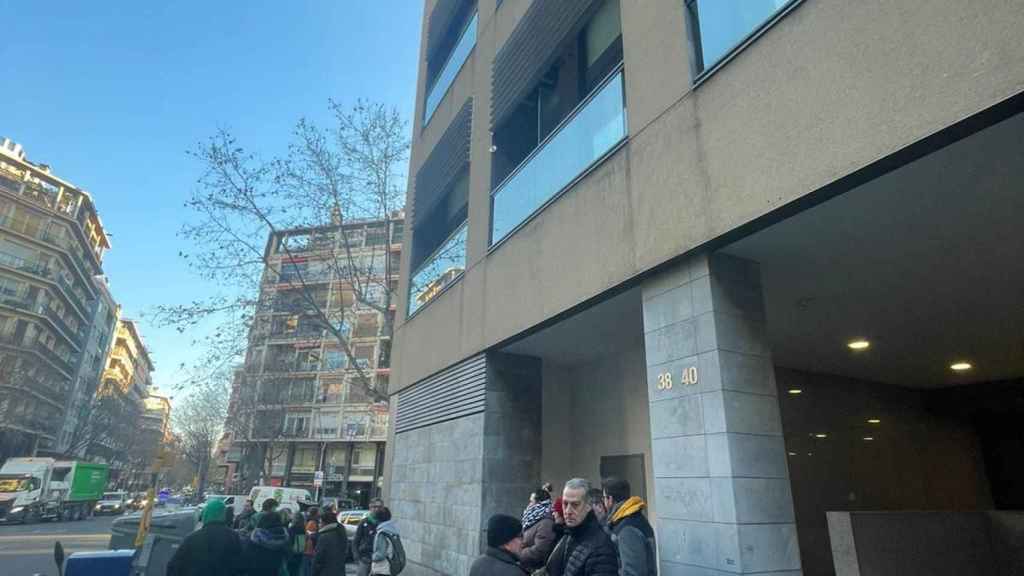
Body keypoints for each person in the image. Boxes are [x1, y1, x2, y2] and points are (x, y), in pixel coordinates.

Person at [546, 478, 618, 576]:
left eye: (575, 505)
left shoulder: (601, 547)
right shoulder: (569, 534)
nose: (568, 511)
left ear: (588, 506)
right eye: (565, 504)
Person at [166, 499, 242, 576]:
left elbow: (174, 566)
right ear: (223, 515)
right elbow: (240, 566)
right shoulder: (234, 537)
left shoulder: (192, 538)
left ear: (206, 514)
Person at [602, 477, 657, 576]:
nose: (603, 503)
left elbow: (633, 573)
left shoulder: (627, 529)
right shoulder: (629, 520)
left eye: (604, 498)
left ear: (610, 499)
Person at [245, 504, 291, 576]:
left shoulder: (255, 537)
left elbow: (247, 557)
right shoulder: (285, 537)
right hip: (275, 571)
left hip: (256, 571)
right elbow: (288, 556)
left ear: (262, 521)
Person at [520, 488, 557, 573]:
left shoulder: (546, 522)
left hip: (534, 570)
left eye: (531, 501)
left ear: (539, 503)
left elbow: (540, 551)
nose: (529, 505)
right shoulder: (533, 518)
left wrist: (519, 553)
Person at [312, 510, 350, 576]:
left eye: (320, 522)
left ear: (325, 523)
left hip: (325, 572)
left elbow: (318, 558)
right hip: (339, 571)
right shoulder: (341, 533)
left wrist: (314, 572)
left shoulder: (324, 537)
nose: (319, 525)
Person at [354, 498, 384, 576]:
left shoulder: (385, 524)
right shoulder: (364, 522)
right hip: (365, 558)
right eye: (374, 507)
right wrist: (356, 556)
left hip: (379, 560)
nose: (377, 509)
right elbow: (356, 540)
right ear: (370, 508)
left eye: (379, 507)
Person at [370, 506, 399, 576]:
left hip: (381, 569)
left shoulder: (382, 533)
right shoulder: (392, 530)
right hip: (389, 567)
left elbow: (380, 554)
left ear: (378, 519)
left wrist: (372, 557)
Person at [288, 509, 308, 576]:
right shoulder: (303, 529)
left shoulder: (291, 529)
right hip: (301, 553)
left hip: (292, 554)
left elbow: (289, 541)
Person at [304, 507, 321, 575]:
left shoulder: (310, 521)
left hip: (309, 549)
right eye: (318, 512)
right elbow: (311, 535)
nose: (320, 513)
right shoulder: (312, 522)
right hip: (310, 549)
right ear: (316, 513)